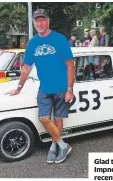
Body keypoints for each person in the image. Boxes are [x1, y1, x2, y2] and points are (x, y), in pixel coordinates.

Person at [8, 8, 74, 165]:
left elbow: (70, 65)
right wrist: (18, 88)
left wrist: (70, 89)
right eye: (37, 20)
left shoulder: (59, 39)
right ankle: (63, 146)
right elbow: (26, 68)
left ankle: (53, 146)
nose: (40, 23)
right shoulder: (32, 44)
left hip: (61, 87)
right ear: (34, 23)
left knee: (58, 119)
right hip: (44, 88)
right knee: (44, 118)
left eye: (42, 19)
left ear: (48, 21)